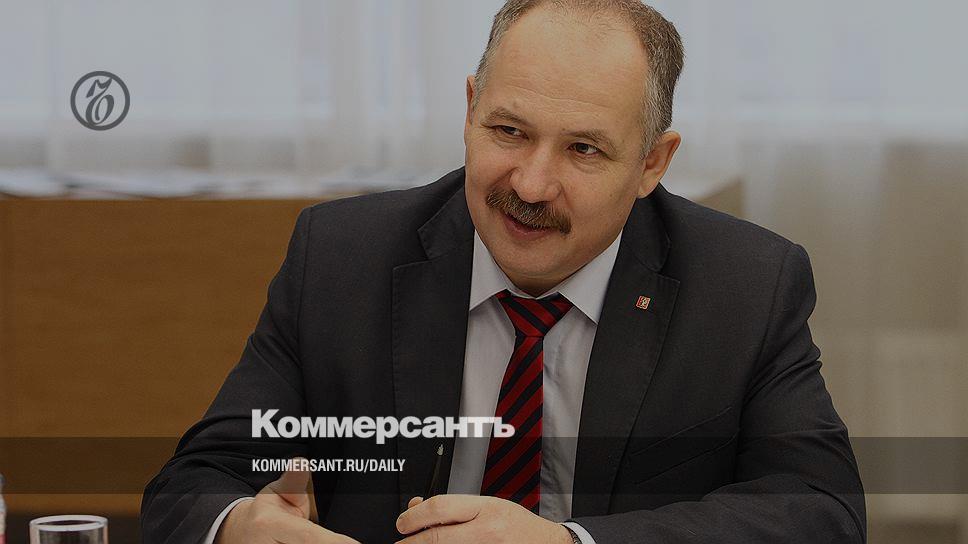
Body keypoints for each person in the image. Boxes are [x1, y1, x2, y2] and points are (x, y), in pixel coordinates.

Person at [141, 1, 866, 542]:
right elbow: (192, 484)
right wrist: (242, 526)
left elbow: (822, 510)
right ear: (469, 109)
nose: (530, 185)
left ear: (652, 162)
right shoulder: (340, 256)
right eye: (509, 131)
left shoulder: (746, 285)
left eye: (583, 149)